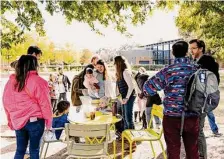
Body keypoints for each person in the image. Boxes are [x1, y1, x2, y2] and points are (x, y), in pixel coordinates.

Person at [144, 41, 199, 159]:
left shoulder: (168, 71)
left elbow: (148, 88)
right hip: (192, 115)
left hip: (172, 117)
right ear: (186, 52)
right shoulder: (196, 69)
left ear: (173, 53)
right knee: (193, 150)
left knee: (173, 152)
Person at [2, 55, 52, 159]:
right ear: (34, 65)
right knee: (34, 150)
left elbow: (6, 102)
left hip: (18, 121)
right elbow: (45, 104)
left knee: (20, 150)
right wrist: (49, 122)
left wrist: (10, 120)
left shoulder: (11, 81)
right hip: (35, 121)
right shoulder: (39, 81)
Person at [189, 39, 222, 159]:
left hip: (201, 101)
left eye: (194, 48)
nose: (191, 51)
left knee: (198, 131)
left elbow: (213, 82)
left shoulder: (207, 61)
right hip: (195, 100)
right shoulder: (195, 61)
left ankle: (202, 156)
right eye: (190, 48)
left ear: (201, 48)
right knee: (195, 130)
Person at [114, 56, 136, 130]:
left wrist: (126, 98)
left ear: (118, 64)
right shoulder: (119, 73)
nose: (114, 65)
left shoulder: (125, 72)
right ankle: (126, 135)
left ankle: (132, 137)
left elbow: (131, 86)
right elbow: (118, 86)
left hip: (129, 96)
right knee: (124, 116)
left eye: (115, 64)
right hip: (124, 96)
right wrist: (119, 97)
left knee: (128, 117)